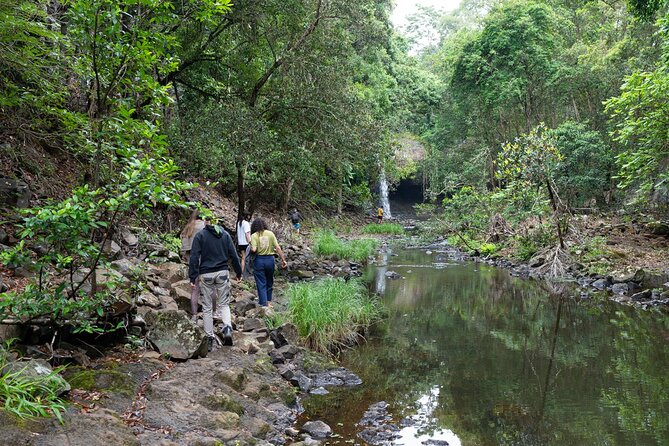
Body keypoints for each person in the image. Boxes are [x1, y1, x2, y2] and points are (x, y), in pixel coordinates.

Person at [188, 216, 242, 351]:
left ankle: (210, 337)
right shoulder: (225, 235)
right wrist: (239, 272)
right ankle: (227, 328)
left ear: (206, 223)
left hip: (206, 274)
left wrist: (192, 276)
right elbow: (234, 255)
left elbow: (194, 256)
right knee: (224, 303)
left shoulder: (200, 236)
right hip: (222, 272)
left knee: (206, 307)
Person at [250, 218, 287, 307]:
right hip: (270, 260)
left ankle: (264, 303)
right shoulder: (270, 234)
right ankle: (269, 301)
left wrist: (250, 247)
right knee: (269, 281)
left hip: (259, 260)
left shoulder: (254, 235)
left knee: (261, 282)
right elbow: (278, 248)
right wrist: (283, 259)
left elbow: (254, 249)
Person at [180, 210, 206, 320]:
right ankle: (211, 313)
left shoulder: (189, 227)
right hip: (204, 258)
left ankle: (194, 315)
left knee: (194, 288)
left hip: (192, 259)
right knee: (209, 287)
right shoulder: (204, 226)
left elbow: (184, 246)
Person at [236, 213, 251, 278]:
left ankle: (241, 272)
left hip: (240, 243)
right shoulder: (246, 223)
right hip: (246, 243)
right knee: (247, 258)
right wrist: (250, 242)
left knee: (243, 258)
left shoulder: (239, 223)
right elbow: (247, 234)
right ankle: (245, 273)